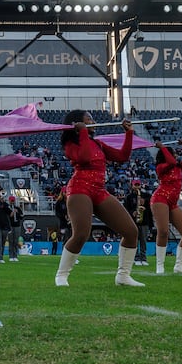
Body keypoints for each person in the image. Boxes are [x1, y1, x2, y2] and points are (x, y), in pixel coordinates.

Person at [54, 110, 143, 287]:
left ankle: (123, 276)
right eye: (89, 120)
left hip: (99, 191)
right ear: (78, 124)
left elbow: (122, 157)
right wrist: (83, 132)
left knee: (131, 231)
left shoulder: (98, 144)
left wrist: (129, 133)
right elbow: (84, 157)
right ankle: (61, 275)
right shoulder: (70, 144)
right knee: (81, 234)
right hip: (80, 189)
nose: (93, 122)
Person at [151, 140, 182, 274]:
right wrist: (163, 147)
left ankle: (179, 266)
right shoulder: (161, 167)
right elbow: (170, 162)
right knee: (163, 231)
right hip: (160, 199)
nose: (176, 156)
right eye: (174, 154)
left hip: (172, 203)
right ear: (166, 155)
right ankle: (160, 265)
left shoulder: (179, 167)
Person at [123, 178, 152, 266]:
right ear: (132, 186)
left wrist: (145, 202)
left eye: (138, 185)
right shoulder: (129, 197)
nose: (137, 187)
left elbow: (151, 206)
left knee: (143, 241)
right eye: (135, 185)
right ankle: (135, 258)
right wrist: (133, 212)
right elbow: (126, 209)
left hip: (144, 221)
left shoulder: (146, 195)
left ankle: (143, 258)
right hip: (133, 222)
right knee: (134, 240)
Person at [7, 195, 24, 262]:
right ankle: (11, 256)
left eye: (13, 201)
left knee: (16, 241)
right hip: (10, 226)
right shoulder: (7, 208)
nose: (12, 202)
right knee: (11, 241)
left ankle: (15, 255)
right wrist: (12, 213)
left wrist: (17, 213)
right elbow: (7, 216)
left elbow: (22, 216)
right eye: (11, 201)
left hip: (17, 225)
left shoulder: (18, 208)